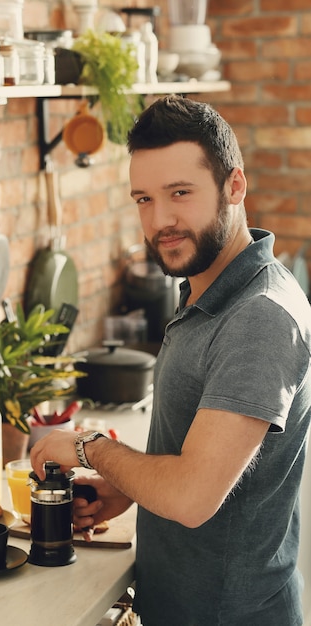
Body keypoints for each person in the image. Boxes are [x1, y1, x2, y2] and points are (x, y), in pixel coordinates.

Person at [30, 95, 311, 626]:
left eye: (180, 193)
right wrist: (127, 487)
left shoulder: (260, 316)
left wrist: (88, 446)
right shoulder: (211, 289)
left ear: (235, 185)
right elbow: (197, 464)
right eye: (143, 199)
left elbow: (191, 497)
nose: (161, 221)